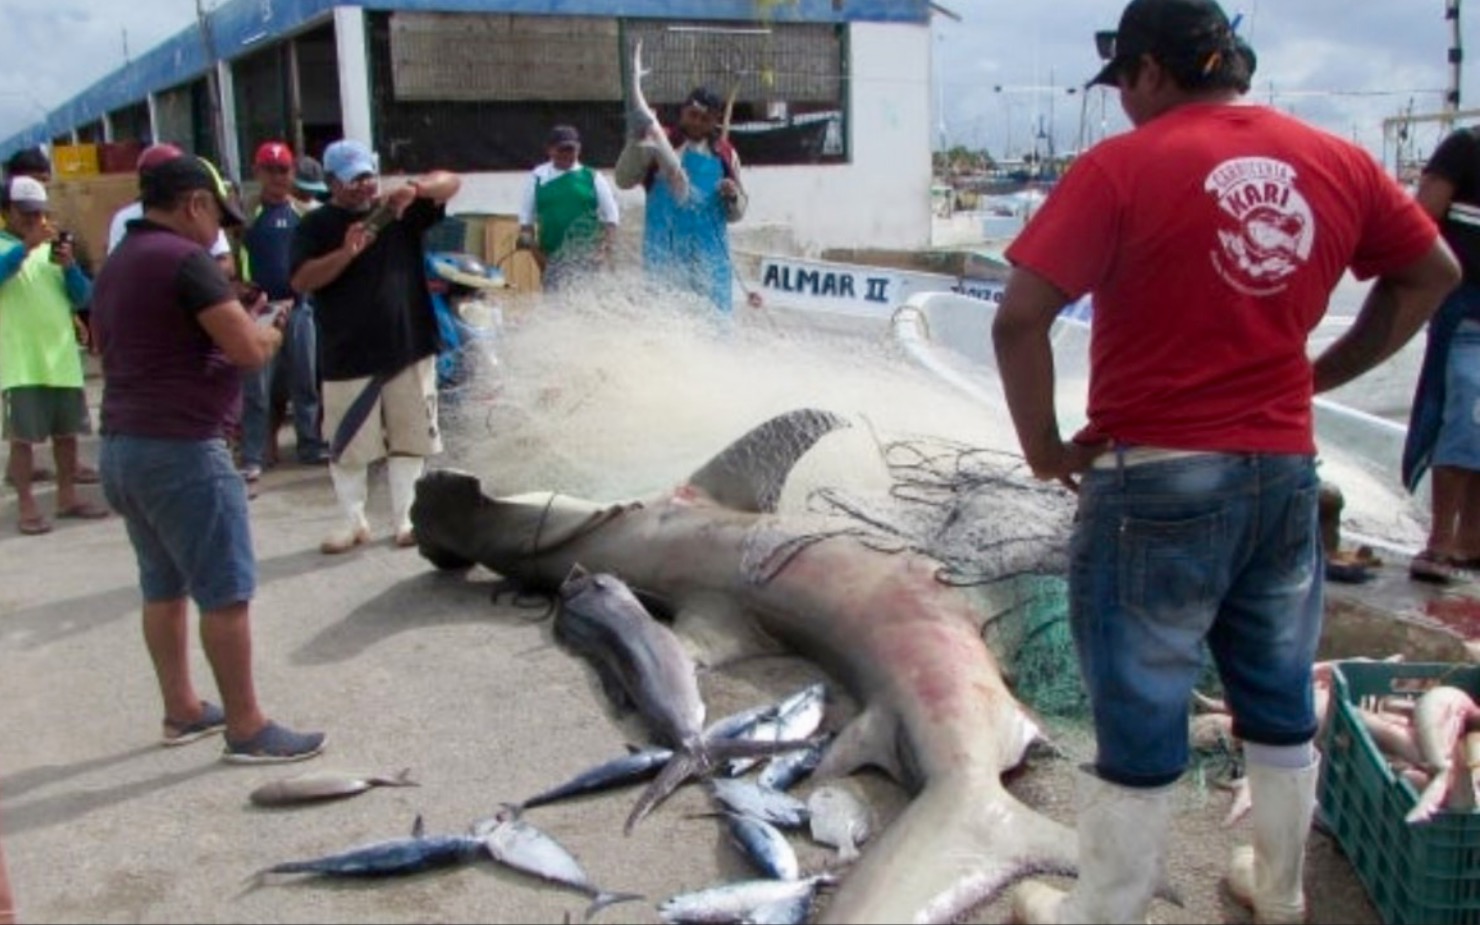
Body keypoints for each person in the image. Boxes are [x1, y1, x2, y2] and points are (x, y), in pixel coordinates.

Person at [989, 2, 1461, 923]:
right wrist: (1324, 371)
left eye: (1124, 81)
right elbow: (1432, 273)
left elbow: (1017, 318)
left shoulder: (1122, 165)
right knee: (1279, 693)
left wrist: (1045, 449)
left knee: (1139, 700)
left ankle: (1107, 908)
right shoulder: (1340, 161)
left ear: (1154, 71)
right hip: (1283, 476)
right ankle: (1278, 893)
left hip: (1154, 478)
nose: (1124, 100)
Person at [90, 153, 325, 764]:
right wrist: (271, 327)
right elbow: (246, 351)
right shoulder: (184, 261)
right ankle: (246, 727)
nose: (218, 230)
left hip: (122, 446)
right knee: (225, 591)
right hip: (181, 450)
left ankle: (182, 708)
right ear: (194, 202)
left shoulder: (118, 263)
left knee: (162, 586)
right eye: (216, 216)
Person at [290, 139, 461, 554]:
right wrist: (346, 254)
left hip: (408, 343)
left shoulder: (398, 211)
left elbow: (452, 182)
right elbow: (301, 281)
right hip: (347, 352)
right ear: (331, 182)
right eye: (352, 180)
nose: (363, 187)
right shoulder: (313, 226)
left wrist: (416, 189)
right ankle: (353, 520)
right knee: (348, 445)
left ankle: (406, 517)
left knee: (411, 438)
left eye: (367, 176)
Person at [0, 176, 109, 535]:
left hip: (60, 358)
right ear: (8, 212)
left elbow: (82, 298)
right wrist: (25, 247)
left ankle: (67, 496)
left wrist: (70, 267)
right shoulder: (5, 246)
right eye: (27, 214)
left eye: (40, 214)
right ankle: (28, 505)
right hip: (20, 362)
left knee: (67, 435)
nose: (35, 221)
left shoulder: (51, 253)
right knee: (23, 439)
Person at [1401, 126, 1480, 583]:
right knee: (1463, 415)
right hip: (1465, 312)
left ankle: (1471, 540)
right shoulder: (1466, 147)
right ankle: (1441, 540)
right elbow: (1416, 224)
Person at [238, 141, 328, 477]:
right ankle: (254, 454)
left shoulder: (303, 214)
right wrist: (248, 295)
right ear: (257, 172)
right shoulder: (246, 215)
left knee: (305, 381)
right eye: (270, 170)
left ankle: (309, 444)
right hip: (261, 311)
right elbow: (234, 262)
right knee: (258, 388)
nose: (277, 177)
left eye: (283, 170)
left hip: (301, 307)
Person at [614, 86, 747, 312]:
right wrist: (634, 142)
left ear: (715, 120)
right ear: (682, 112)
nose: (696, 123)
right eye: (692, 115)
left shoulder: (725, 153)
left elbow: (737, 213)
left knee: (714, 329)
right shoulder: (658, 142)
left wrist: (732, 197)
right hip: (665, 255)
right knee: (666, 322)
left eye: (704, 118)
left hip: (711, 261)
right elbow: (623, 180)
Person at [516, 124, 619, 289]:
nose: (567, 155)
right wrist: (539, 259)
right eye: (562, 149)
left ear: (579, 150)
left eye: (571, 150)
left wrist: (604, 251)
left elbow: (611, 217)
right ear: (550, 150)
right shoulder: (537, 177)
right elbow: (526, 223)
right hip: (551, 256)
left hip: (587, 256)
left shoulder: (592, 177)